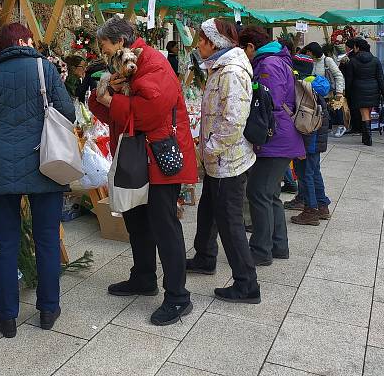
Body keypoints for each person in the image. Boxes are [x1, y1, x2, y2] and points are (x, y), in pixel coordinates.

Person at [88, 17, 198, 326]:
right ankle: (143, 276)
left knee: (165, 225)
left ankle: (178, 297)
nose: (101, 49)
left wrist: (113, 99)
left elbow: (150, 113)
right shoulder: (124, 67)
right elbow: (111, 108)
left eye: (104, 44)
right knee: (137, 218)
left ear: (120, 43)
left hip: (161, 157)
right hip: (139, 155)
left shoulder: (154, 64)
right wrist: (101, 96)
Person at [0, 22, 75, 339]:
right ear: (25, 41)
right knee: (47, 239)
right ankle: (48, 310)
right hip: (44, 162)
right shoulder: (45, 69)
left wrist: (5, 145)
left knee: (5, 242)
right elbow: (68, 112)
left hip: (1, 166)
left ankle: (6, 317)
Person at [187, 18, 260, 304]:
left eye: (202, 40)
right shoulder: (220, 67)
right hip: (219, 160)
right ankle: (205, 256)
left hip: (228, 160)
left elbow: (233, 121)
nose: (198, 45)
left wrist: (209, 150)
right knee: (207, 210)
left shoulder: (231, 71)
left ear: (214, 43)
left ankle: (247, 283)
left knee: (230, 221)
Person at [238, 26, 304, 267]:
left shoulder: (268, 65)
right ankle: (278, 245)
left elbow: (269, 103)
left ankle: (261, 249)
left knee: (258, 192)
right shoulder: (276, 59)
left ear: (250, 47)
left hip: (276, 138)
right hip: (281, 136)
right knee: (271, 193)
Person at [288, 55, 332, 226]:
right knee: (314, 172)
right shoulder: (316, 84)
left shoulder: (303, 89)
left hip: (308, 140)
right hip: (318, 139)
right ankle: (322, 206)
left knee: (305, 174)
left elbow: (304, 120)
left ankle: (310, 211)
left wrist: (301, 148)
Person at [342, 38, 384, 147]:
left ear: (357, 48)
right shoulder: (375, 60)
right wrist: (383, 91)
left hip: (358, 89)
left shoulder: (353, 61)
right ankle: (366, 137)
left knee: (364, 113)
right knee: (368, 112)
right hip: (373, 89)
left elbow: (349, 79)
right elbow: (380, 77)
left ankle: (367, 137)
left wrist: (347, 92)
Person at [303, 42, 346, 137]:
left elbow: (338, 75)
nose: (307, 54)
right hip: (316, 93)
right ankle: (327, 129)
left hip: (329, 92)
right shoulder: (311, 61)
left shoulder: (327, 60)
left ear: (313, 52)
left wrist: (339, 92)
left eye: (308, 52)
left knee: (335, 108)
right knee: (324, 112)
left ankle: (341, 126)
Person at [340, 38, 363, 135]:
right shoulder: (360, 57)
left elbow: (344, 72)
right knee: (360, 109)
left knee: (354, 108)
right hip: (361, 86)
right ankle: (361, 128)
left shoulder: (349, 58)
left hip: (351, 86)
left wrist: (342, 64)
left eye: (346, 47)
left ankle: (356, 127)